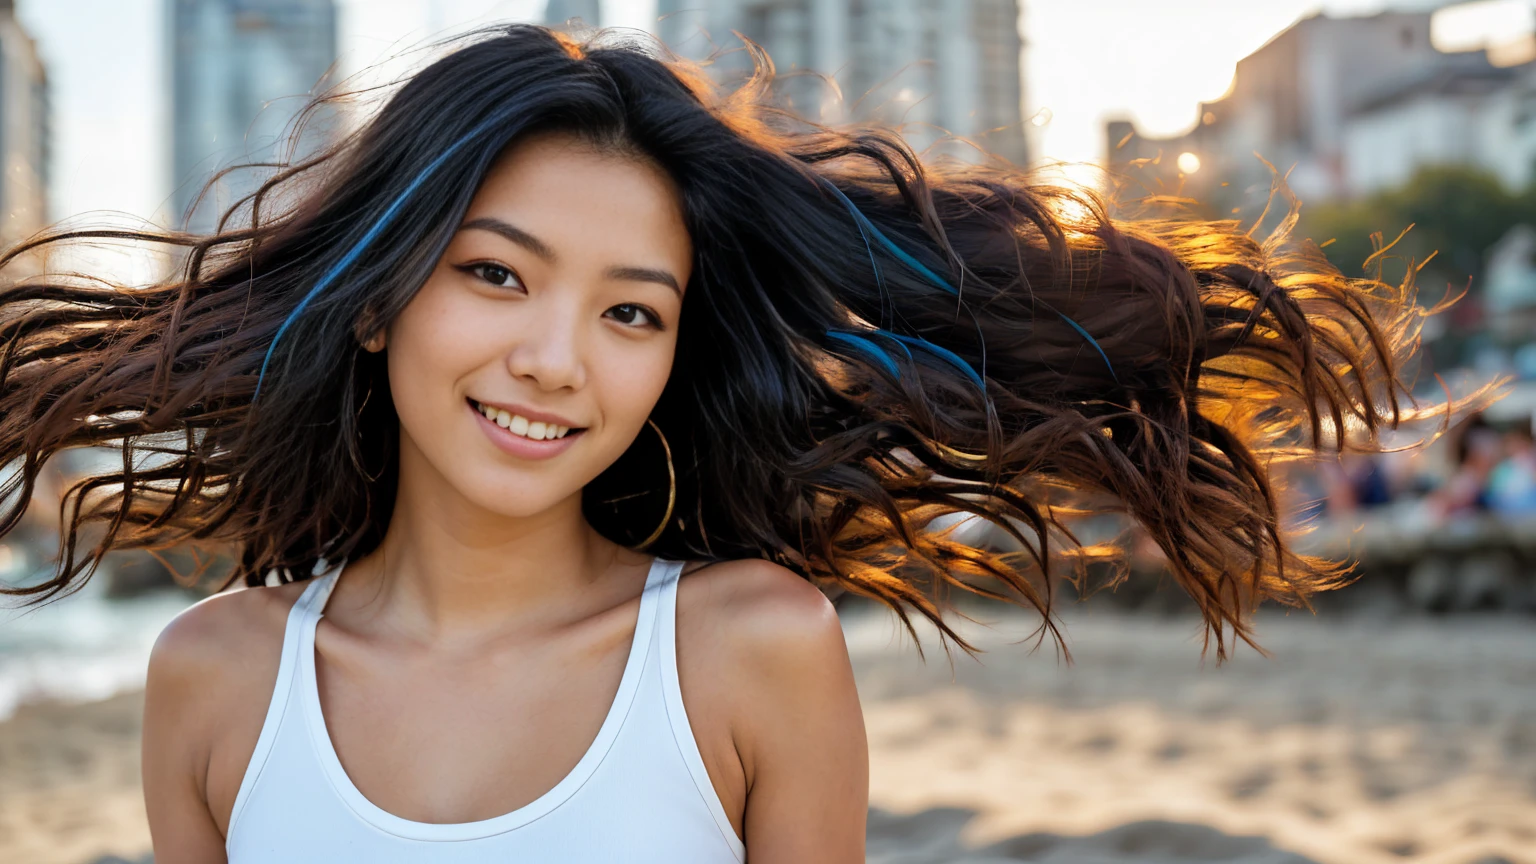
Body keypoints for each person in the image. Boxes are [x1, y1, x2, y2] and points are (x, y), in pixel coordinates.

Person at [0, 24, 1479, 862]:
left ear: (673, 358)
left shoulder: (747, 650)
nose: (555, 359)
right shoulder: (217, 678)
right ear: (382, 298)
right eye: (496, 274)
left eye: (632, 313)